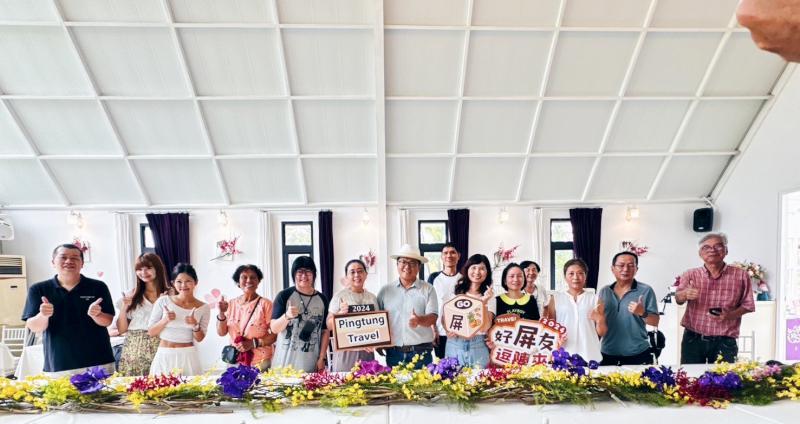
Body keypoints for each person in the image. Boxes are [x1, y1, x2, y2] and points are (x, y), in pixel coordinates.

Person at [21, 244, 116, 377]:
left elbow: (107, 321)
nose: (69, 261)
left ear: (82, 263)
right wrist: (43, 315)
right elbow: (34, 327)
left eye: (75, 258)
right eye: (63, 257)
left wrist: (97, 315)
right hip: (59, 362)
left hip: (99, 360)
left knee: (105, 391)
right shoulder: (39, 289)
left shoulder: (98, 287)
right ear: (53, 262)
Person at [675, 232, 755, 364]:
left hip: (725, 341)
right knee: (691, 375)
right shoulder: (690, 274)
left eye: (718, 246)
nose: (712, 250)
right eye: (706, 247)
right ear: (700, 253)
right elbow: (678, 299)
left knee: (723, 376)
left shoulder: (741, 275)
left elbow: (748, 305)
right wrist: (684, 294)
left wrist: (730, 315)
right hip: (693, 339)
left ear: (726, 251)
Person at [378, 244, 438, 368]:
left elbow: (433, 317)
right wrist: (377, 342)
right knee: (394, 382)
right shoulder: (385, 291)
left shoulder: (428, 289)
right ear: (397, 264)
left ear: (419, 267)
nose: (407, 266)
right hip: (394, 353)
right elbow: (377, 320)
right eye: (403, 262)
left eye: (412, 263)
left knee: (424, 382)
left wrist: (419, 320)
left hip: (421, 353)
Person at [597, 252, 660, 366]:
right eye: (621, 265)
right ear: (612, 269)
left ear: (636, 269)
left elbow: (655, 321)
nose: (626, 269)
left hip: (637, 353)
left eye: (631, 265)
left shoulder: (646, 290)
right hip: (608, 353)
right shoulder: (604, 291)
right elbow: (599, 322)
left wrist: (642, 313)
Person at [147, 263, 210, 376]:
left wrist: (195, 325)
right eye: (179, 281)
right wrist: (165, 320)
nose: (183, 285)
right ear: (173, 283)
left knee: (191, 387)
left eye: (188, 281)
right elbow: (151, 332)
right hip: (164, 355)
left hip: (188, 356)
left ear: (195, 282)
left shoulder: (204, 307)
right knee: (161, 387)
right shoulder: (163, 301)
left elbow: (200, 338)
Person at [270, 256, 330, 372]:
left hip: (309, 364)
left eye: (308, 271)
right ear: (294, 274)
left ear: (314, 274)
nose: (304, 275)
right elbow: (274, 328)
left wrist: (322, 358)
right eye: (300, 272)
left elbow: (325, 331)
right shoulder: (284, 296)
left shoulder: (322, 299)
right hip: (283, 365)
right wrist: (287, 316)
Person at [115, 253, 170, 375]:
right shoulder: (130, 295)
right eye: (139, 269)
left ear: (158, 268)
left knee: (164, 382)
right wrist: (125, 307)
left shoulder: (171, 294)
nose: (143, 272)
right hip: (134, 348)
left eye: (148, 268)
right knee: (135, 384)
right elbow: (122, 329)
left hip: (163, 345)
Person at [544, 258, 606, 362]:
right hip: (563, 354)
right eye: (571, 273)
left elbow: (602, 332)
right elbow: (550, 329)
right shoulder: (556, 298)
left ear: (585, 276)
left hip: (590, 355)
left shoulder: (595, 299)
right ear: (565, 277)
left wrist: (600, 320)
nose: (576, 277)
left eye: (580, 273)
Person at [216, 264, 276, 370]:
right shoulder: (231, 304)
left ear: (258, 281)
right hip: (235, 359)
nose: (248, 280)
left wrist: (253, 343)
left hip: (260, 362)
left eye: (253, 277)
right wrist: (221, 312)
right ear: (238, 282)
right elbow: (221, 333)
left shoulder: (266, 304)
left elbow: (275, 334)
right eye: (244, 277)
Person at [441, 254, 495, 368]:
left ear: (487, 272)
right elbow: (444, 317)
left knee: (480, 378)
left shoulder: (489, 296)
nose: (477, 272)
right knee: (452, 378)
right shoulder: (455, 290)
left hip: (478, 345)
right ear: (467, 269)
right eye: (474, 267)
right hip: (455, 342)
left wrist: (484, 302)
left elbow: (485, 327)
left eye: (482, 268)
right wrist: (447, 329)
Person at [326, 259, 379, 372]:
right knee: (344, 382)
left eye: (360, 271)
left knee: (368, 382)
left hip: (367, 353)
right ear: (347, 276)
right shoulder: (339, 296)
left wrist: (376, 343)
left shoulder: (372, 298)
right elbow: (328, 325)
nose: (356, 275)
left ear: (365, 274)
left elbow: (378, 325)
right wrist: (340, 314)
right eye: (352, 272)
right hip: (346, 354)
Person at [427, 243, 461, 359]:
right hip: (439, 332)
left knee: (459, 365)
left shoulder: (463, 279)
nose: (449, 255)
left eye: (452, 252)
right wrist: (433, 329)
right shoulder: (434, 278)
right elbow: (429, 305)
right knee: (442, 365)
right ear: (441, 257)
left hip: (459, 332)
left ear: (458, 256)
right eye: (445, 253)